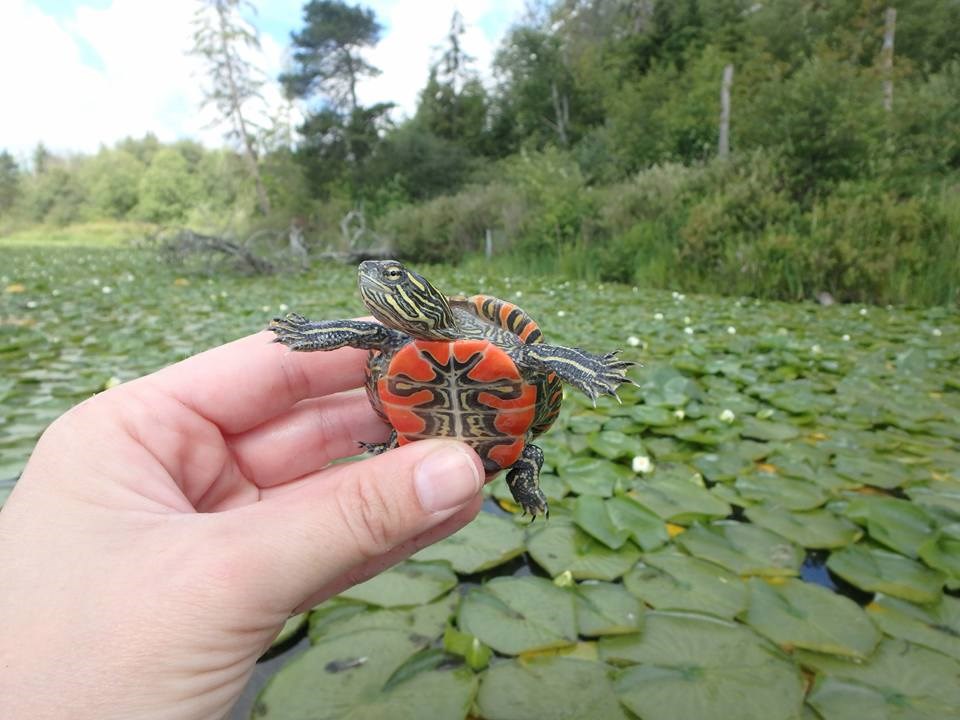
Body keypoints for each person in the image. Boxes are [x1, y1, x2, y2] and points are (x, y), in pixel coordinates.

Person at [0, 331, 485, 719]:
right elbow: (358, 339)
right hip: (423, 427)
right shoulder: (384, 340)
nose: (376, 279)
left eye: (395, 280)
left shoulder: (466, 333)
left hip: (487, 419)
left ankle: (522, 460)